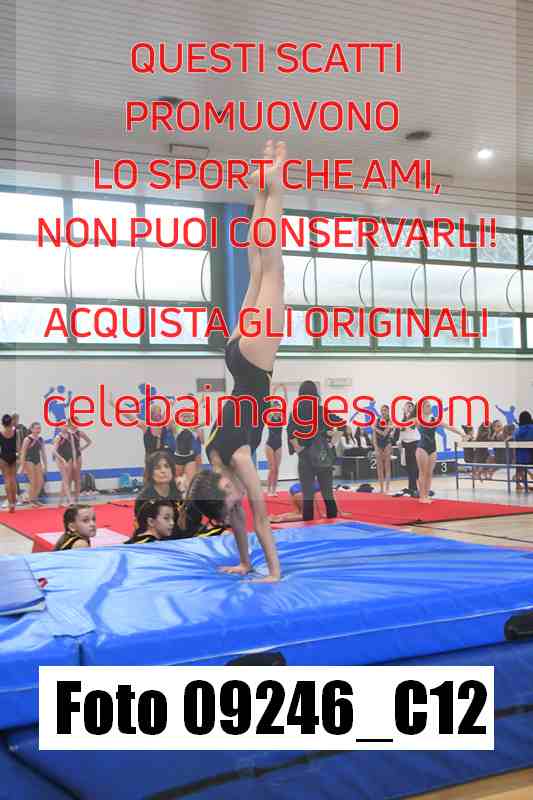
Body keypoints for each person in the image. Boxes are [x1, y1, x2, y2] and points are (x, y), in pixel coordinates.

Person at [194, 140, 287, 582]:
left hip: (254, 362)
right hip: (234, 357)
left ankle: (275, 180)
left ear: (223, 484)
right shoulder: (212, 454)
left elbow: (261, 518)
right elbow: (237, 518)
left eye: (229, 498)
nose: (236, 505)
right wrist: (245, 563)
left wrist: (273, 572)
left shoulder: (240, 461)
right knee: (255, 269)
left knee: (273, 268)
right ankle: (258, 187)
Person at [287, 379, 344, 522]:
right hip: (323, 456)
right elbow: (342, 426)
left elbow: (290, 434)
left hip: (305, 457)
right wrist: (332, 443)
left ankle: (308, 526)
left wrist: (299, 450)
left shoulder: (296, 413)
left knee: (307, 496)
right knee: (328, 494)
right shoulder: (322, 411)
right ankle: (333, 524)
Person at [415, 400, 462, 504]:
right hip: (422, 448)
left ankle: (426, 495)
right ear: (421, 408)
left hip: (433, 448)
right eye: (427, 406)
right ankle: (422, 496)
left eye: (430, 406)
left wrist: (461, 433)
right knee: (422, 472)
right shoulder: (417, 420)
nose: (430, 408)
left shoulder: (435, 420)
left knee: (429, 473)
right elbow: (402, 424)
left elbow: (449, 427)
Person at [108, 392, 176, 464]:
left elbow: (166, 412)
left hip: (161, 456)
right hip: (150, 457)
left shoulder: (163, 424)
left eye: (159, 414)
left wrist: (171, 404)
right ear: (151, 415)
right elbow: (129, 416)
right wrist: (114, 405)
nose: (158, 416)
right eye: (155, 414)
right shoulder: (145, 426)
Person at [134, 451, 182, 532]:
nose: (163, 471)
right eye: (157, 468)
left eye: (166, 466)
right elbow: (142, 528)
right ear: (150, 473)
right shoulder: (144, 499)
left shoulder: (179, 493)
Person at [53, 418, 92, 505]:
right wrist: (63, 459)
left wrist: (81, 449)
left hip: (75, 456)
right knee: (67, 479)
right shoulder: (62, 435)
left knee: (77, 479)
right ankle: (68, 499)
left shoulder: (77, 433)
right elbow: (55, 450)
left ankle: (75, 499)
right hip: (64, 457)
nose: (76, 423)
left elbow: (88, 442)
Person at [265, 383, 287, 496]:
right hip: (269, 445)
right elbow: (269, 403)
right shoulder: (270, 417)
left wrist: (285, 391)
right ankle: (268, 489)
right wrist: (274, 390)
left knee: (277, 469)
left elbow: (286, 404)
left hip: (279, 445)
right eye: (275, 408)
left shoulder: (282, 417)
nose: (277, 410)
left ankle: (274, 490)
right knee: (272, 468)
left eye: (279, 408)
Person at [18, 422, 47, 507]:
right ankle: (31, 501)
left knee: (40, 481)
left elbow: (43, 453)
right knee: (33, 481)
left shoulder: (41, 439)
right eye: (36, 428)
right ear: (31, 429)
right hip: (29, 461)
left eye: (39, 428)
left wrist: (45, 465)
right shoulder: (27, 439)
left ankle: (34, 499)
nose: (38, 430)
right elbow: (23, 453)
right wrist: (22, 466)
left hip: (37, 461)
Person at [372, 403, 395, 494]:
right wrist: (375, 447)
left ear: (388, 411)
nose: (383, 412)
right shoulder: (377, 421)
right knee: (379, 467)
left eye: (385, 410)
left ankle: (387, 488)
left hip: (387, 444)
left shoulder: (390, 421)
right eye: (382, 410)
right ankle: (381, 488)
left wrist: (375, 428)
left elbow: (384, 433)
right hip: (378, 445)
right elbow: (374, 436)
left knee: (387, 466)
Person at [398, 401, 420, 496]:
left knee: (414, 467)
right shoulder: (403, 419)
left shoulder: (415, 419)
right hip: (405, 445)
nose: (408, 408)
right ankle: (412, 487)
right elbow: (401, 433)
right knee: (408, 467)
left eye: (410, 406)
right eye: (407, 406)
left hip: (414, 443)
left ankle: (415, 488)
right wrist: (399, 442)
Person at [0, 414, 17, 512]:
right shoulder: (15, 432)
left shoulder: (1, 433)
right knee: (13, 479)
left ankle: (10, 504)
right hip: (13, 456)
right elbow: (18, 445)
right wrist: (19, 457)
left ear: (2, 423)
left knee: (7, 479)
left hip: (3, 457)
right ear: (11, 423)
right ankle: (14, 502)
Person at [514, 411, 533, 491]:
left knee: (520, 467)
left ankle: (521, 485)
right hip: (530, 456)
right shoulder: (531, 428)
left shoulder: (517, 430)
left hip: (520, 457)